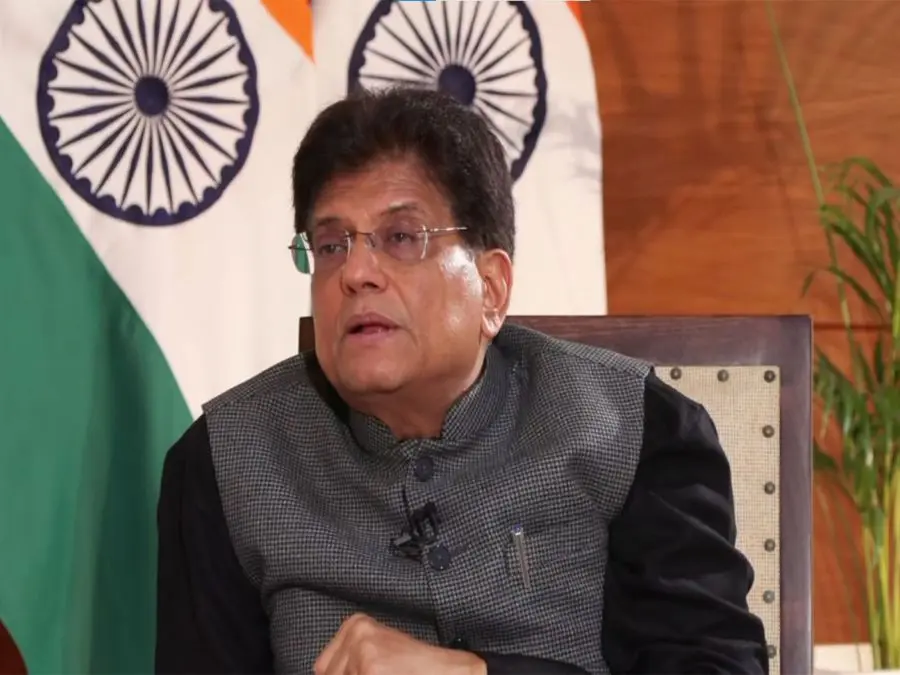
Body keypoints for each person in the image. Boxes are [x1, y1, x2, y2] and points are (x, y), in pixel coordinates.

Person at [155, 86, 769, 675]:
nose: (356, 272)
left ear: (492, 288)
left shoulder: (634, 432)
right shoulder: (224, 463)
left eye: (401, 237)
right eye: (332, 245)